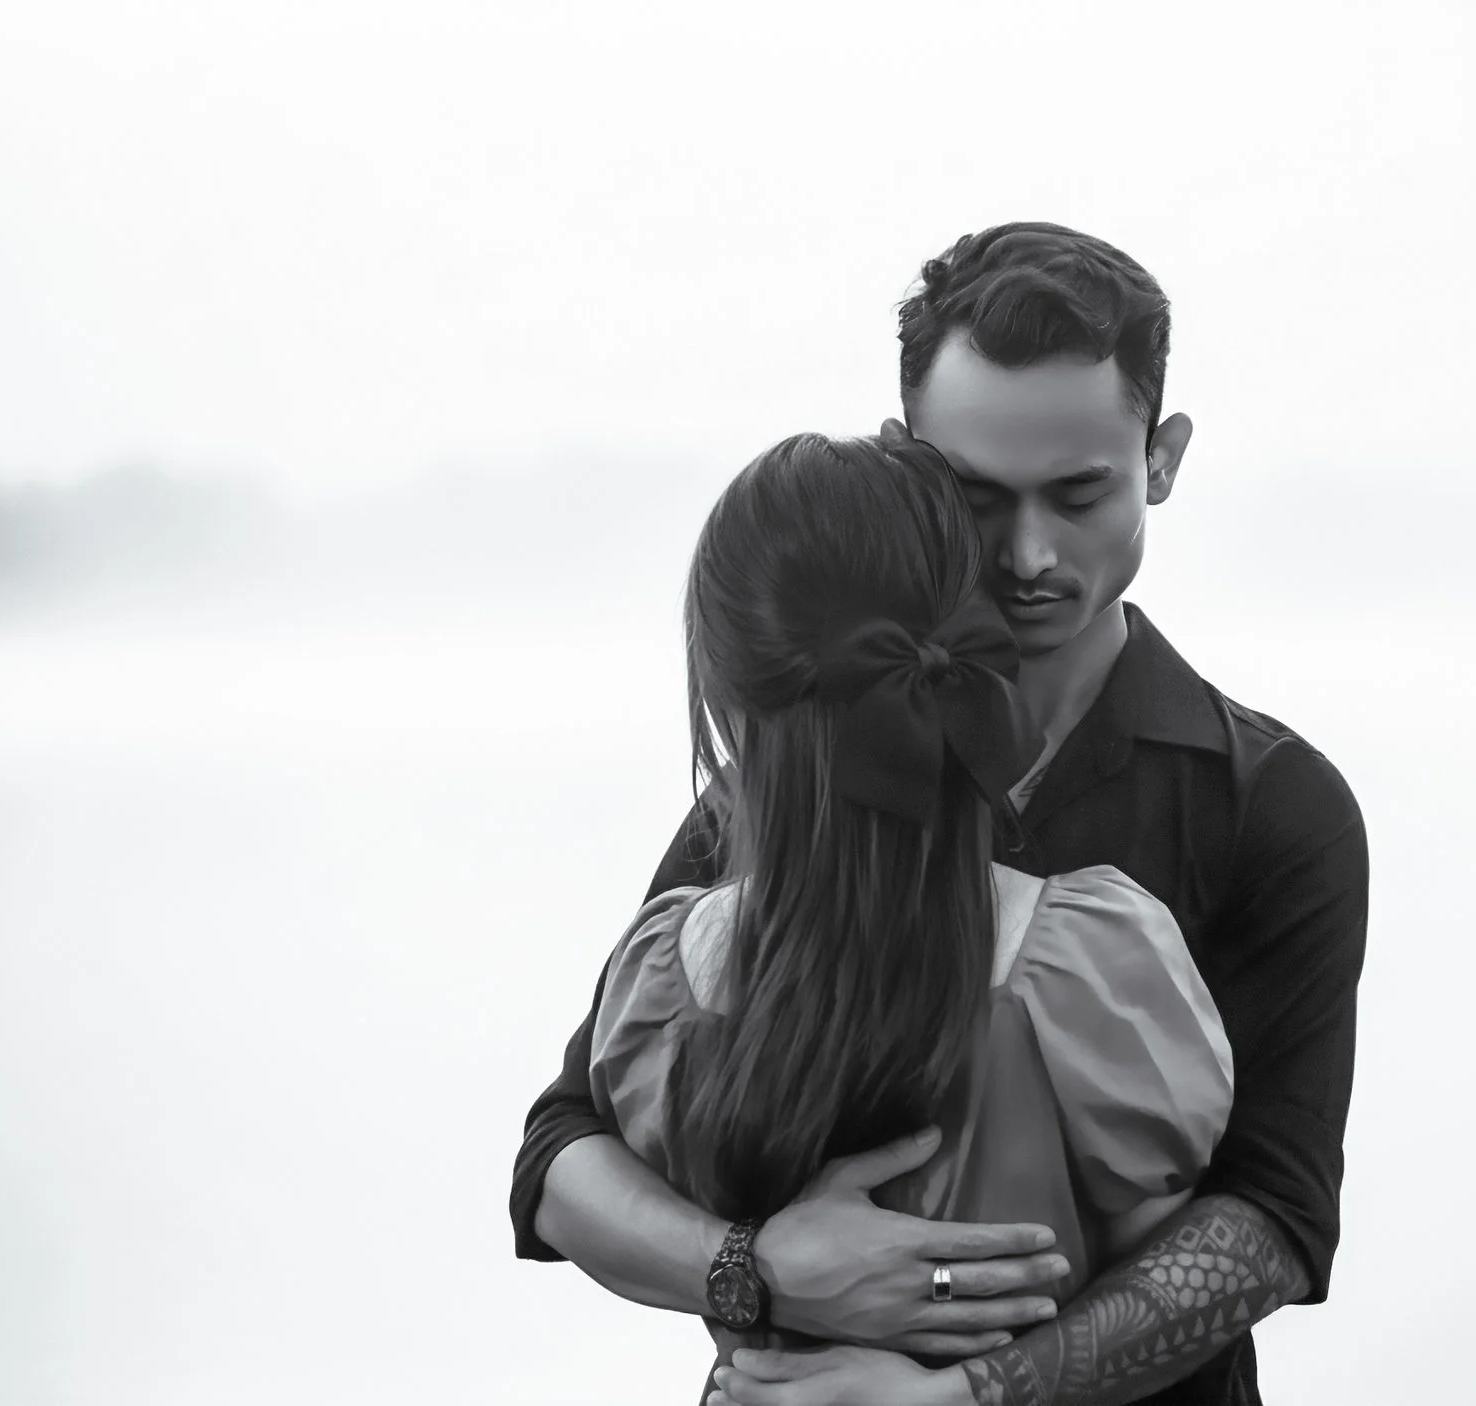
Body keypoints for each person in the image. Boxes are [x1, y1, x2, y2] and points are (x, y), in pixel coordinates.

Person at [512, 222, 1370, 1406]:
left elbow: (1274, 1217)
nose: (1028, 557)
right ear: (911, 467)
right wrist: (751, 1271)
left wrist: (968, 1394)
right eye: (976, 498)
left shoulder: (1270, 802)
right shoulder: (778, 786)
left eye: (1079, 494)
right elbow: (561, 1152)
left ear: (1160, 457)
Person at [589, 430, 1236, 1404]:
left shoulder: (666, 982)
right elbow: (1177, 1314)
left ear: (724, 704)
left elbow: (584, 1176)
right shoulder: (1096, 962)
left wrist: (750, 1267)